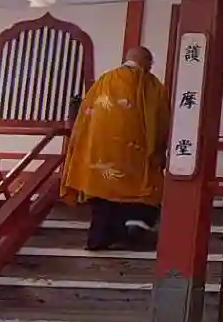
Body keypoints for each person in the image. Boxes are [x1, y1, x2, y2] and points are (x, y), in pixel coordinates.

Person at [61, 46, 165, 250]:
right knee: (139, 192)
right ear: (146, 61)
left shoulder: (103, 81)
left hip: (100, 152)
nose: (151, 67)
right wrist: (159, 150)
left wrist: (82, 147)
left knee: (103, 195)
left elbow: (84, 117)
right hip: (133, 153)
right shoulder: (149, 84)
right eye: (150, 63)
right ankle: (132, 232)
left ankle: (98, 239)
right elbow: (159, 121)